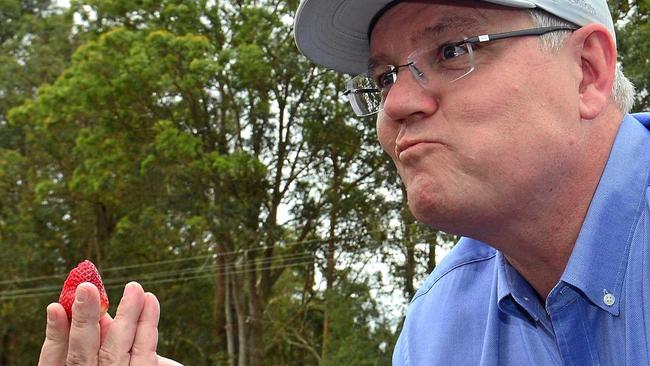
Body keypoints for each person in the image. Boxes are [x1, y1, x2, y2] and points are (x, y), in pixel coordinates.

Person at [293, 0, 649, 365]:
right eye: (385, 79)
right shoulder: (434, 332)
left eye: (453, 51)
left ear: (587, 71)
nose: (395, 104)